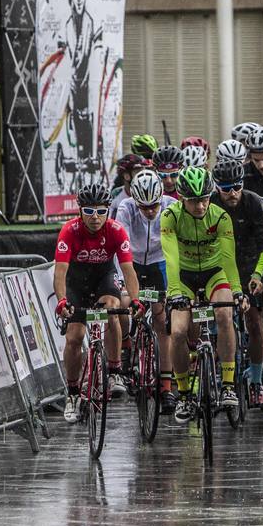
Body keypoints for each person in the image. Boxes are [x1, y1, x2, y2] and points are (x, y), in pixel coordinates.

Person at [160, 166, 244, 424]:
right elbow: (171, 259)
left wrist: (238, 290)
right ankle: (184, 393)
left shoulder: (221, 217)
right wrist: (174, 292)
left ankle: (228, 384)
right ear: (182, 198)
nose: (200, 206)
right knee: (178, 332)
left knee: (223, 313)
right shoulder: (170, 216)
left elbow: (229, 259)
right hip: (183, 277)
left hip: (214, 273)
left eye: (205, 198)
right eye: (194, 200)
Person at [53, 183, 141, 423]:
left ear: (108, 211)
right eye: (89, 211)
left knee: (112, 308)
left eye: (101, 211)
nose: (95, 218)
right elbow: (60, 273)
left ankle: (114, 371)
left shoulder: (116, 230)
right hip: (76, 283)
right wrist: (62, 301)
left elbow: (128, 269)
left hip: (103, 279)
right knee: (74, 337)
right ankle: (72, 393)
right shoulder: (69, 231)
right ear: (80, 211)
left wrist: (134, 299)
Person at [211, 159, 263, 407]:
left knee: (255, 322)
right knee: (221, 318)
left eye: (237, 187)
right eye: (226, 188)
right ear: (217, 188)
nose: (232, 193)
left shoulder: (255, 202)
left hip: (249, 264)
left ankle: (256, 379)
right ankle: (221, 369)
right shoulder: (210, 204)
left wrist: (258, 275)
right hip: (219, 264)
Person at [113, 169, 175, 405]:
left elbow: (175, 247)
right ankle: (127, 345)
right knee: (123, 304)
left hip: (160, 262)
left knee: (162, 322)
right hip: (133, 262)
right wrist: (124, 283)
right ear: (136, 201)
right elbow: (122, 248)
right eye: (144, 206)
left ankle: (166, 387)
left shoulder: (171, 205)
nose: (150, 211)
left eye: (154, 206)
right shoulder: (126, 208)